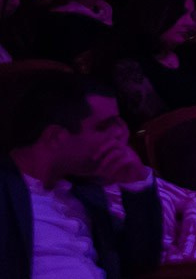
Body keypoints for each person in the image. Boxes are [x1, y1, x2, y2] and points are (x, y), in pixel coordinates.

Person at [2, 69, 181, 279]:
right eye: (105, 126)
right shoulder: (7, 191)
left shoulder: (81, 191)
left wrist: (136, 183)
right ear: (55, 136)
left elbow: (140, 263)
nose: (118, 135)